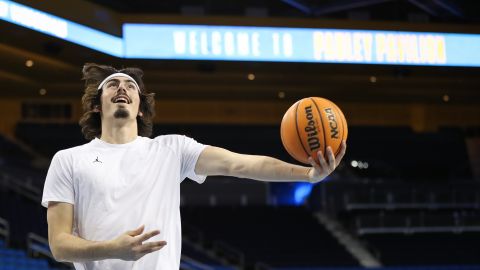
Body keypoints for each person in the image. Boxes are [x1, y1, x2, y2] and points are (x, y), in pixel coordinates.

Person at [42, 63, 347, 270]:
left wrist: (308, 175)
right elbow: (59, 244)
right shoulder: (68, 159)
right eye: (112, 85)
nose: (122, 88)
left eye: (130, 86)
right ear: (97, 104)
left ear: (140, 106)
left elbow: (238, 164)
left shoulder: (171, 149)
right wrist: (112, 248)